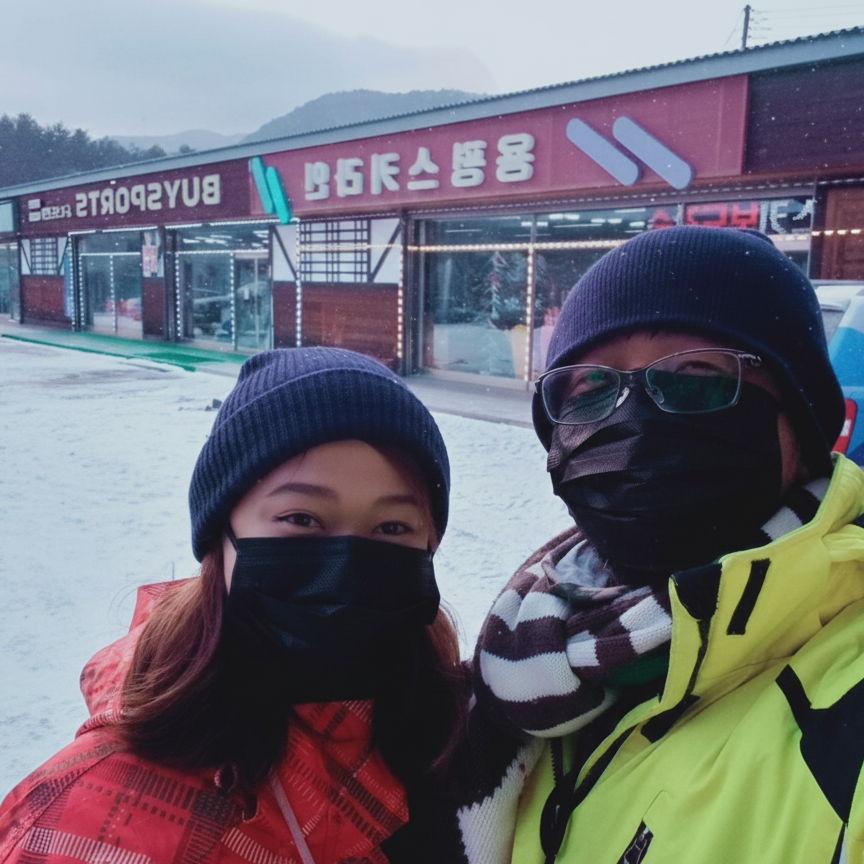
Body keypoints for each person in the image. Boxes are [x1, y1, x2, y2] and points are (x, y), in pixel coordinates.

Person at [440, 226, 864, 864]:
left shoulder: (844, 710)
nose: (633, 421)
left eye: (696, 371)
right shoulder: (533, 651)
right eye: (590, 388)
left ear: (799, 424)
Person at [0, 347, 464, 864]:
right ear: (221, 536)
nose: (345, 562)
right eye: (301, 518)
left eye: (393, 528)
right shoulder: (92, 822)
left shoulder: (463, 736)